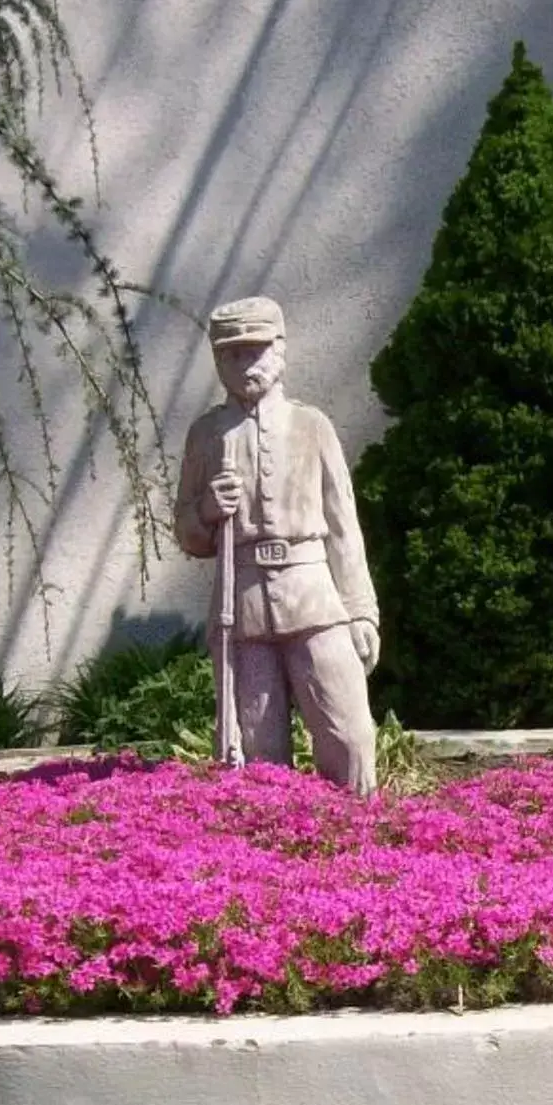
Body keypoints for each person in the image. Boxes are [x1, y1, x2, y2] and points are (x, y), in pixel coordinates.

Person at [173, 296, 383, 792]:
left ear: (280, 350)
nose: (246, 364)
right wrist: (205, 511)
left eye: (257, 351)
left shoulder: (312, 426)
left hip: (314, 598)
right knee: (259, 752)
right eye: (232, 355)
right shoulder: (206, 435)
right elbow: (186, 530)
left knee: (349, 736)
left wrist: (360, 611)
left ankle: (360, 846)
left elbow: (343, 527)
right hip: (242, 610)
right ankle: (274, 857)